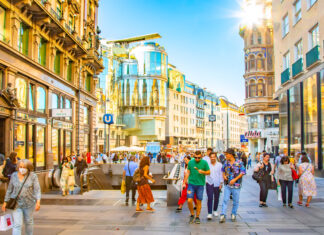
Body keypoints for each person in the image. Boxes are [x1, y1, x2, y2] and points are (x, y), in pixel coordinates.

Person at [2, 159, 41, 235]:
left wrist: (38, 202)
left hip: (29, 203)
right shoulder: (14, 175)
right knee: (17, 224)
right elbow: (9, 190)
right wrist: (5, 202)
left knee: (28, 222)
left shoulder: (33, 176)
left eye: (24, 167)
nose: (22, 169)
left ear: (28, 168)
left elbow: (37, 189)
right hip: (16, 204)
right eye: (20, 167)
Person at [182, 151, 210, 224]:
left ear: (201, 157)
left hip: (200, 184)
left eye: (199, 158)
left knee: (198, 201)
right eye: (195, 157)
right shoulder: (191, 162)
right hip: (191, 184)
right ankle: (192, 214)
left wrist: (202, 172)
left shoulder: (204, 163)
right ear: (194, 156)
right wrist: (184, 182)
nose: (197, 159)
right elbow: (188, 172)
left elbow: (209, 172)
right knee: (189, 200)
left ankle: (197, 216)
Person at [220, 148, 246, 223]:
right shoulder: (226, 162)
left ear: (230, 154)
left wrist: (235, 179)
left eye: (226, 154)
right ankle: (223, 214)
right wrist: (224, 175)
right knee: (225, 199)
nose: (226, 156)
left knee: (236, 200)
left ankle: (233, 214)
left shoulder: (239, 162)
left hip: (236, 185)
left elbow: (243, 172)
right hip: (227, 184)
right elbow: (222, 170)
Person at [206, 152, 223, 220]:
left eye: (214, 157)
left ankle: (215, 210)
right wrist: (206, 181)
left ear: (216, 157)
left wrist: (221, 183)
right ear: (209, 157)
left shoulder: (219, 165)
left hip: (217, 183)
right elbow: (205, 173)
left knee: (217, 198)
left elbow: (221, 174)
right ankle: (209, 213)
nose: (212, 158)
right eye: (211, 157)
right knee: (210, 198)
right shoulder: (207, 165)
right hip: (209, 183)